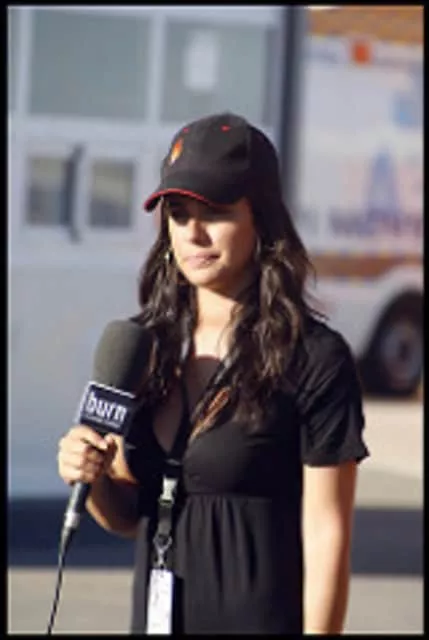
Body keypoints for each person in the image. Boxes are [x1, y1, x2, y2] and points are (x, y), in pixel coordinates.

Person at [57, 112, 370, 634]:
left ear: (260, 218)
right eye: (178, 215)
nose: (193, 233)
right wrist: (90, 477)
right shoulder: (143, 346)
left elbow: (327, 535)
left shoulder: (314, 357)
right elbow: (131, 515)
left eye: (216, 212)